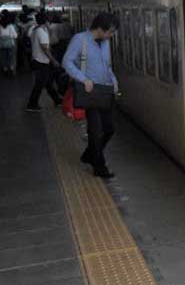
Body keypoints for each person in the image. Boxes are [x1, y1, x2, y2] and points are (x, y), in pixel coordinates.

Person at [63, 12, 118, 179]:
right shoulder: (80, 40)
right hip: (90, 92)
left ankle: (89, 155)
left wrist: (114, 80)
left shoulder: (105, 43)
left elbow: (106, 66)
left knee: (109, 128)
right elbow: (67, 61)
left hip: (105, 90)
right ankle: (99, 166)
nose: (112, 35)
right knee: (95, 131)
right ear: (100, 29)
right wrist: (83, 79)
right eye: (111, 31)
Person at [25, 13, 62, 112]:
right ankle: (32, 104)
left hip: (37, 60)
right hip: (41, 61)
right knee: (40, 84)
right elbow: (45, 48)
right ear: (46, 21)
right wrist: (53, 61)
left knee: (48, 82)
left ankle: (57, 100)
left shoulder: (35, 30)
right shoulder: (41, 32)